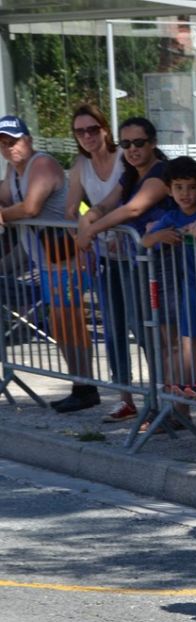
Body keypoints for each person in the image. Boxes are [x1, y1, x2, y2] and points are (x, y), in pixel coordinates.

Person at [76, 116, 173, 425]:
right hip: (135, 262)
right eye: (126, 143)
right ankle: (147, 402)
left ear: (153, 143)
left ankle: (167, 403)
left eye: (139, 143)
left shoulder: (161, 173)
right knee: (133, 328)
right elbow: (107, 204)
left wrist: (91, 230)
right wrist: (88, 217)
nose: (132, 149)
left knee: (157, 335)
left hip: (162, 266)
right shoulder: (129, 174)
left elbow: (133, 208)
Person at [0, 115, 82, 411]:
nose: (10, 147)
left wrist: (3, 215)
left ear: (28, 140)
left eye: (14, 141)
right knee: (60, 324)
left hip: (69, 257)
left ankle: (86, 386)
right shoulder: (13, 170)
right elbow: (5, 195)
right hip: (45, 258)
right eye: (3, 143)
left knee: (69, 322)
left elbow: (31, 207)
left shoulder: (42, 164)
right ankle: (81, 383)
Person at [140, 157, 196, 419]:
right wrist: (160, 235)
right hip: (190, 287)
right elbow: (145, 241)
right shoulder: (172, 217)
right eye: (178, 187)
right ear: (169, 190)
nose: (185, 193)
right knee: (188, 340)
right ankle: (190, 386)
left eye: (191, 187)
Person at [54, 104, 123, 413]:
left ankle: (164, 398)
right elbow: (70, 210)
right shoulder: (81, 165)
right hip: (106, 254)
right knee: (114, 330)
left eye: (92, 129)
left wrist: (92, 226)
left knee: (147, 329)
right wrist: (83, 242)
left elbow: (127, 201)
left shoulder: (124, 157)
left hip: (138, 251)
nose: (87, 136)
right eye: (80, 131)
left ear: (105, 128)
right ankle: (126, 399)